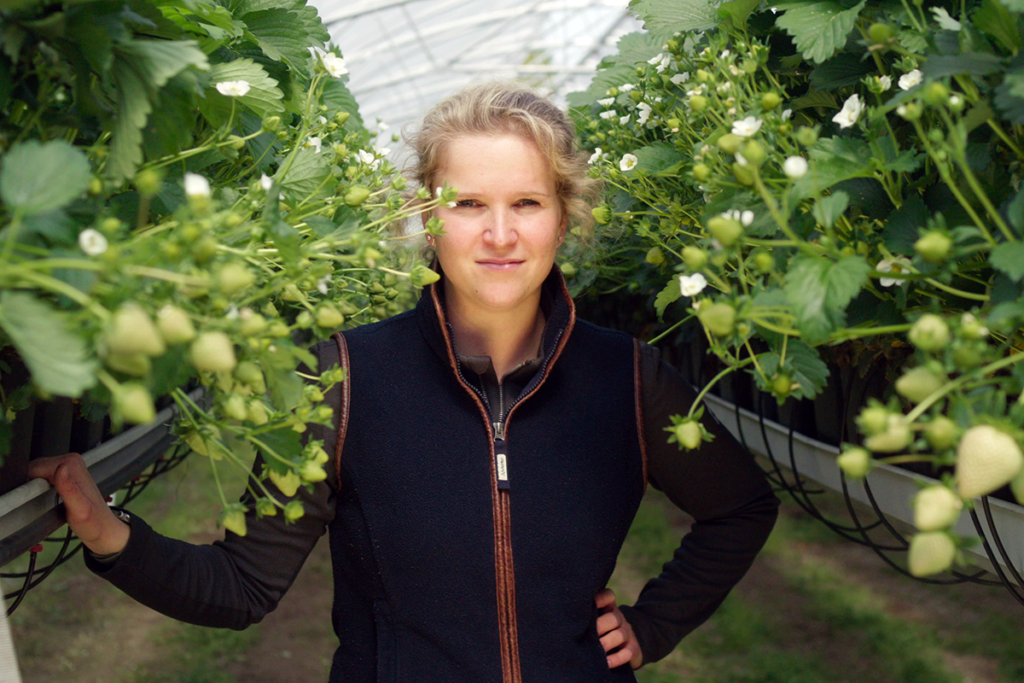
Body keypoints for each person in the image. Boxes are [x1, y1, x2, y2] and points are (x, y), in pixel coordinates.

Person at [28, 82, 778, 682]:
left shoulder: (628, 376)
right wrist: (108, 532)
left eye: (527, 203)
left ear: (564, 215)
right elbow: (241, 586)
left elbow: (740, 507)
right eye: (468, 205)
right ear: (426, 215)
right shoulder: (344, 377)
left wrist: (652, 625)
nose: (500, 234)